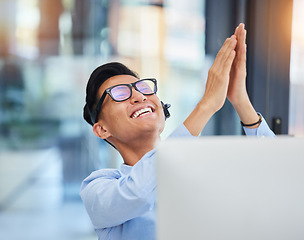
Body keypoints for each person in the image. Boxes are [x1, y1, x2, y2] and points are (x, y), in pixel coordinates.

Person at [80, 23, 275, 240]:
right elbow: (138, 195)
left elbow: (278, 177)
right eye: (119, 93)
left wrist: (240, 100)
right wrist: (206, 106)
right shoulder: (99, 186)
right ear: (102, 129)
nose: (139, 96)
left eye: (143, 88)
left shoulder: (203, 168)